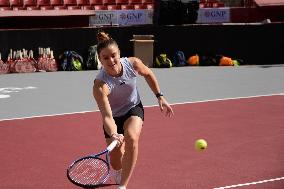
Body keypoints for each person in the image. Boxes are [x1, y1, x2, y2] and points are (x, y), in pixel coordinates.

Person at [93, 31, 174, 189]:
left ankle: (123, 185)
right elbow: (107, 116)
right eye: (105, 58)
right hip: (114, 118)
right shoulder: (100, 86)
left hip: (133, 108)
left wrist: (160, 96)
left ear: (119, 53)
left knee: (131, 137)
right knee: (116, 161)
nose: (111, 60)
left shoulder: (133, 64)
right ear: (100, 60)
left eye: (113, 55)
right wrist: (114, 133)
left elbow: (148, 74)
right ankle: (118, 169)